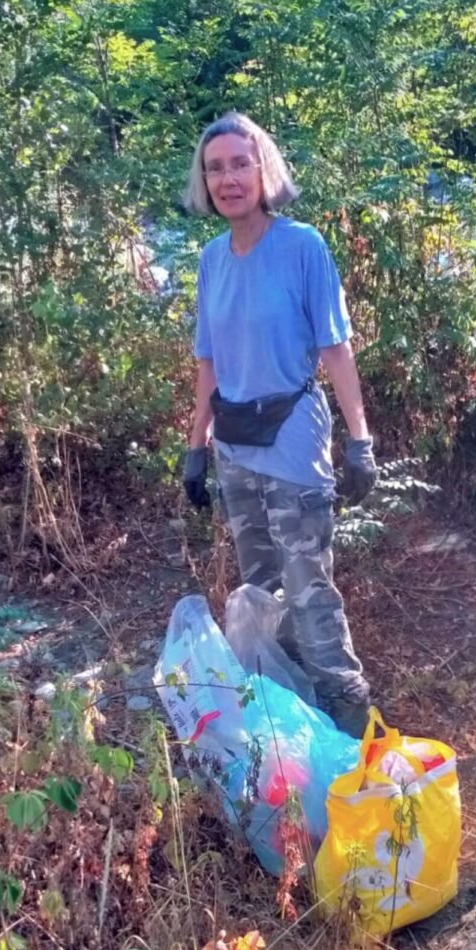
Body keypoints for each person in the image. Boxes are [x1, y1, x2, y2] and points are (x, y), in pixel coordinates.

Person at [179, 111, 379, 738]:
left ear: (264, 169)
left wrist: (360, 440)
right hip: (235, 444)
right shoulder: (212, 259)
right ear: (204, 183)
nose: (229, 178)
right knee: (259, 586)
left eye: (241, 163)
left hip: (293, 439)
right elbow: (209, 360)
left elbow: (336, 348)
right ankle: (285, 711)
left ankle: (347, 718)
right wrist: (196, 448)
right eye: (216, 168)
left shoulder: (302, 246)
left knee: (307, 583)